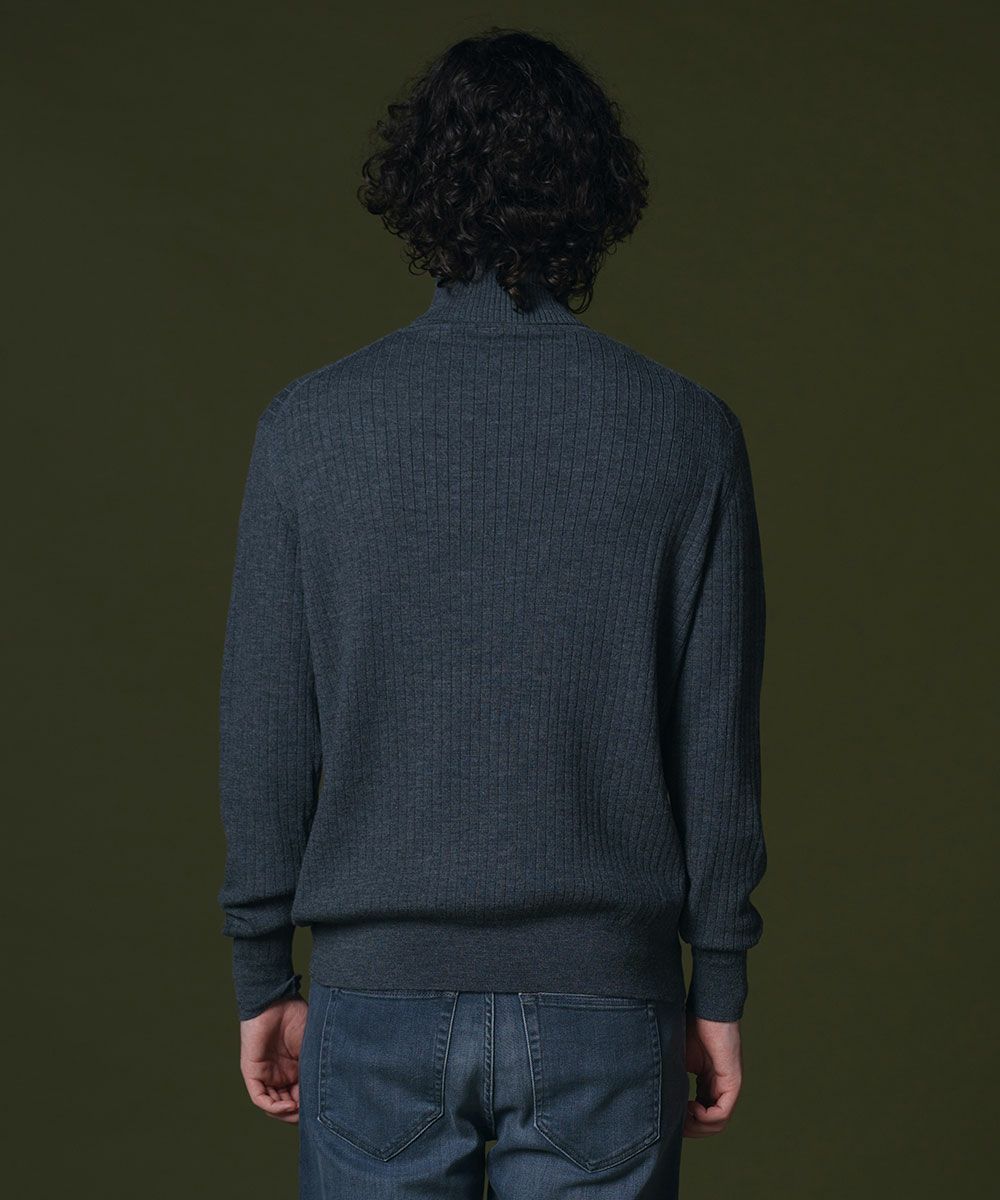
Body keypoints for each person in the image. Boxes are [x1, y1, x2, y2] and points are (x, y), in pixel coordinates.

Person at [217, 26, 767, 1200]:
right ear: (593, 193)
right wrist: (715, 987)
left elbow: (265, 728)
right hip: (606, 1009)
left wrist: (263, 973)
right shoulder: (686, 435)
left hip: (374, 1005)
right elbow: (715, 747)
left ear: (419, 189)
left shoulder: (309, 431)